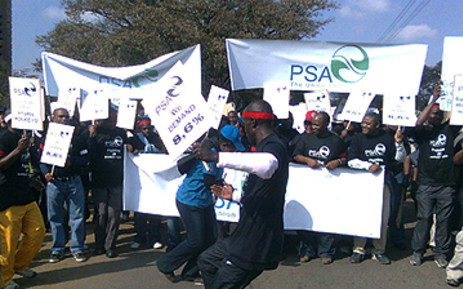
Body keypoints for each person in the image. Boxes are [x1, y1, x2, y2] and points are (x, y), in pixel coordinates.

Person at [195, 99, 289, 289]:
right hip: (243, 236)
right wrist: (235, 195)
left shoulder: (275, 146)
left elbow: (267, 165)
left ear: (253, 123)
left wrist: (216, 157)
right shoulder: (263, 146)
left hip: (256, 242)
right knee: (207, 261)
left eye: (243, 123)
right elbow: (265, 191)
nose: (241, 129)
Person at [407, 84, 461, 268]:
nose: (435, 116)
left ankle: (441, 253)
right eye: (433, 113)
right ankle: (418, 252)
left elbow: (458, 114)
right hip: (426, 184)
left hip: (446, 184)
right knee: (424, 218)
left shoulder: (450, 129)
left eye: (439, 113)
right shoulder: (422, 133)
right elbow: (417, 123)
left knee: (444, 221)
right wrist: (434, 99)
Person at [157, 134, 223, 283]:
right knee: (196, 240)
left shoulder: (217, 154)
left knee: (210, 238)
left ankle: (191, 272)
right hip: (190, 201)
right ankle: (165, 264)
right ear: (223, 143)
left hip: (205, 201)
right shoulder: (208, 153)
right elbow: (209, 182)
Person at [347, 112, 406, 265]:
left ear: (377, 125)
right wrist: (368, 166)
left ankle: (379, 250)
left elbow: (399, 159)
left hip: (384, 183)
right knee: (361, 216)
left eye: (368, 123)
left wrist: (399, 144)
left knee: (382, 217)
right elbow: (351, 161)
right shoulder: (357, 139)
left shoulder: (387, 138)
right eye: (363, 123)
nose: (364, 125)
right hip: (363, 183)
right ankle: (358, 249)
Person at [292, 111, 346, 264]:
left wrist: (339, 162)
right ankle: (306, 250)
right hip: (307, 187)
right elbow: (295, 155)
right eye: (312, 124)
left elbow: (346, 157)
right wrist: (307, 159)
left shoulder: (336, 141)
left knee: (326, 217)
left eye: (316, 124)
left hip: (328, 186)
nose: (313, 127)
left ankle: (326, 251)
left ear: (326, 125)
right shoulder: (304, 139)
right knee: (304, 218)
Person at [0, 121, 46, 289]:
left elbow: (22, 166)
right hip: (7, 200)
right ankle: (5, 279)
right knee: (9, 242)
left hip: (26, 196)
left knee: (38, 232)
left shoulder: (25, 137)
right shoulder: (3, 138)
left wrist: (31, 180)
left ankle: (19, 266)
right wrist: (18, 150)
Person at [40, 108, 89, 263]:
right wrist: (45, 173)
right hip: (54, 183)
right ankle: (57, 248)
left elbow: (86, 158)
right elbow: (41, 160)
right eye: (61, 116)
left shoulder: (77, 138)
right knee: (55, 217)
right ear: (53, 118)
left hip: (74, 181)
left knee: (77, 217)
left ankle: (77, 248)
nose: (64, 119)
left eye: (67, 117)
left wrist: (72, 161)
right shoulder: (47, 138)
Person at [87, 109, 131, 258]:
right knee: (101, 214)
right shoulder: (96, 132)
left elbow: (132, 146)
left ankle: (110, 245)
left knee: (114, 215)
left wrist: (131, 144)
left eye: (114, 117)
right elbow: (90, 154)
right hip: (100, 181)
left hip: (117, 180)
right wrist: (91, 137)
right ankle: (99, 245)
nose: (112, 120)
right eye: (109, 117)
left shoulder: (121, 133)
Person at [128, 118, 165, 250]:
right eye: (144, 129)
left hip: (156, 181)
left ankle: (155, 238)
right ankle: (139, 237)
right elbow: (129, 147)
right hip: (141, 182)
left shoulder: (158, 138)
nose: (147, 131)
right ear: (140, 129)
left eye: (149, 128)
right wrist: (131, 149)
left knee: (155, 211)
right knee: (140, 211)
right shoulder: (135, 139)